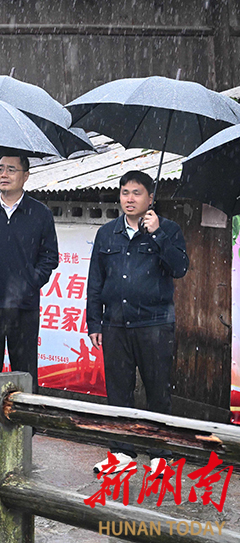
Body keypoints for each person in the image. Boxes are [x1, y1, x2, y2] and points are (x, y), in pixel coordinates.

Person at [86, 170, 188, 474]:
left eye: (137, 193)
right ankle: (122, 452)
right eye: (125, 192)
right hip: (115, 324)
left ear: (151, 198)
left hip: (154, 325)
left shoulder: (168, 229)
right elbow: (95, 280)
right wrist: (94, 322)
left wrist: (156, 234)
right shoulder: (108, 233)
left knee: (158, 390)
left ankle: (160, 453)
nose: (129, 199)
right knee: (118, 391)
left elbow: (180, 268)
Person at [0, 155, 59, 450]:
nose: (3, 174)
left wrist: (30, 282)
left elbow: (50, 257)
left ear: (25, 175)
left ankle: (25, 431)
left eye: (11, 169)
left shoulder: (40, 213)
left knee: (24, 370)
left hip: (23, 306)